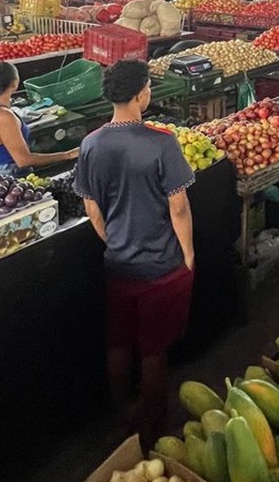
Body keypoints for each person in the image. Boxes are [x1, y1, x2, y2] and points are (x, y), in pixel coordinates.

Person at [73, 60, 196, 448]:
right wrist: (188, 254)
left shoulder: (91, 144)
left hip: (120, 264)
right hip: (161, 265)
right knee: (154, 349)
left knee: (120, 342)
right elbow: (178, 207)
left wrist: (114, 242)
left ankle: (122, 410)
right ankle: (152, 423)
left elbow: (92, 208)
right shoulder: (162, 142)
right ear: (141, 92)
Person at [0, 60, 78, 176]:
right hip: (7, 175)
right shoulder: (3, 116)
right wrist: (67, 155)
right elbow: (24, 160)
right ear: (15, 83)